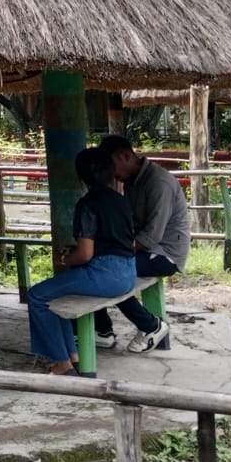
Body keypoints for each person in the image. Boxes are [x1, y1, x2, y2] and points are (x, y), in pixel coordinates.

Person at [26, 148, 136, 375]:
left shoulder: (87, 204)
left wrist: (67, 258)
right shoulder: (121, 201)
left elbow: (85, 255)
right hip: (128, 273)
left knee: (37, 296)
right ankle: (72, 357)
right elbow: (114, 241)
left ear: (81, 176)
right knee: (57, 295)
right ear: (110, 173)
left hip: (105, 275)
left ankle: (61, 363)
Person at [91, 133, 190, 353]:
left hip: (164, 254)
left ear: (125, 156)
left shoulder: (158, 183)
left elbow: (151, 237)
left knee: (108, 270)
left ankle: (150, 326)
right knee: (95, 264)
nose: (111, 174)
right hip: (145, 250)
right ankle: (103, 330)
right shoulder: (132, 181)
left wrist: (109, 249)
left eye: (111, 166)